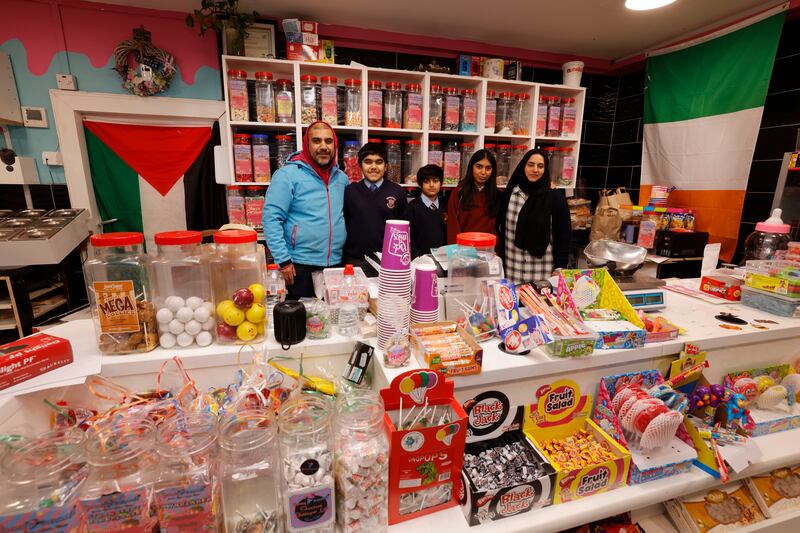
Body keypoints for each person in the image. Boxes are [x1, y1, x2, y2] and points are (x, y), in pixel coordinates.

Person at [262, 121, 347, 299]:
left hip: (336, 265)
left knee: (332, 321)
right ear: (306, 144)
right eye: (316, 141)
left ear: (335, 145)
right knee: (302, 322)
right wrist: (283, 261)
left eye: (328, 141)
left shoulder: (342, 179)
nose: (323, 146)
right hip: (298, 266)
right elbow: (271, 219)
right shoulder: (287, 175)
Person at [496, 148, 571, 284]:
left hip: (542, 275)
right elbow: (500, 230)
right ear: (523, 166)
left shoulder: (555, 198)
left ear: (545, 169)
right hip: (513, 272)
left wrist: (560, 268)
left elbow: (563, 236)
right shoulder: (509, 195)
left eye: (540, 166)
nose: (535, 170)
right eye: (531, 165)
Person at [343, 142, 406, 273]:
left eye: (378, 162)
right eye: (368, 162)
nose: (373, 167)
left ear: (386, 166)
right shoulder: (350, 191)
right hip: (356, 260)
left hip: (389, 260)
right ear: (360, 165)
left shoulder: (397, 192)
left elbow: (405, 229)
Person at [446, 149, 499, 243]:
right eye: (479, 167)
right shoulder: (458, 192)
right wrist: (457, 251)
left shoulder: (498, 194)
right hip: (463, 250)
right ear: (471, 167)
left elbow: (498, 227)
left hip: (487, 250)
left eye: (488, 168)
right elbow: (452, 226)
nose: (483, 172)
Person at [405, 164, 446, 258]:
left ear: (441, 183)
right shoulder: (412, 207)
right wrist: (417, 258)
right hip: (420, 259)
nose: (431, 185)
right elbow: (409, 237)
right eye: (427, 181)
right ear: (420, 184)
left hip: (443, 259)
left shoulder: (445, 206)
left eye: (435, 181)